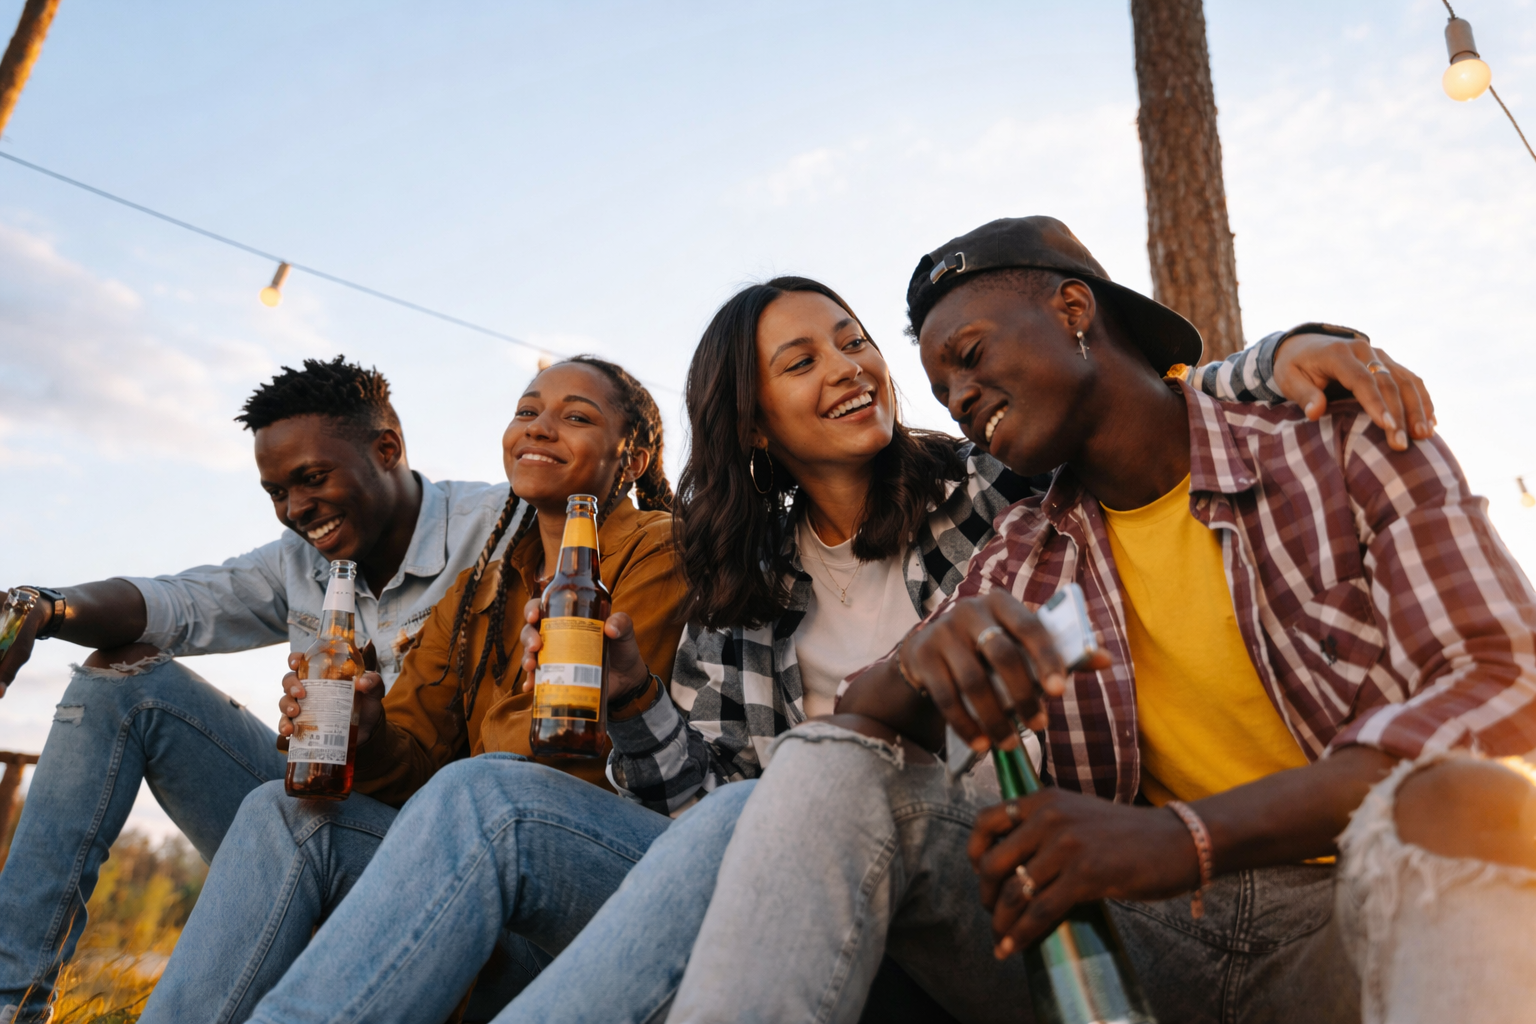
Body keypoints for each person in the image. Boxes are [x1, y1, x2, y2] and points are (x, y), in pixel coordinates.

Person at [217, 273, 1431, 1024]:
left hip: (979, 872)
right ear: (753, 418)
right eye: (802, 359)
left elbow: (1115, 404)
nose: (850, 365)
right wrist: (635, 700)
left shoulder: (991, 486)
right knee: (504, 797)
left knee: (821, 768)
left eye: (854, 340)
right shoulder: (738, 580)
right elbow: (710, 808)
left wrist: (1271, 355)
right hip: (786, 864)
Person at [662, 217, 1536, 1024]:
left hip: (1360, 915)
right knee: (824, 765)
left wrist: (1184, 838)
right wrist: (921, 658)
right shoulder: (1024, 556)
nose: (959, 398)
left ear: (1073, 309)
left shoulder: (1337, 443)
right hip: (1153, 939)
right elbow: (861, 716)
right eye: (942, 385)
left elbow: (1507, 687)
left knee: (1470, 800)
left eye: (969, 356)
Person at [136, 356, 687, 1024]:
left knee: (475, 789)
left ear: (634, 456)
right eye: (526, 411)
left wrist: (442, 773)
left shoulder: (659, 549)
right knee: (282, 811)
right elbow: (415, 754)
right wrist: (367, 733)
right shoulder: (483, 585)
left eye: (575, 417)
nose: (539, 429)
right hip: (477, 868)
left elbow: (569, 749)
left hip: (594, 892)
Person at [0, 356, 521, 1024]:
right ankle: (11, 1003)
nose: (296, 509)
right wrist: (45, 609)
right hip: (315, 816)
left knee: (290, 812)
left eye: (311, 478)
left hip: (442, 859)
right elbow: (177, 603)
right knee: (123, 682)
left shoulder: (501, 529)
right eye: (276, 492)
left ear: (387, 448)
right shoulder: (301, 561)